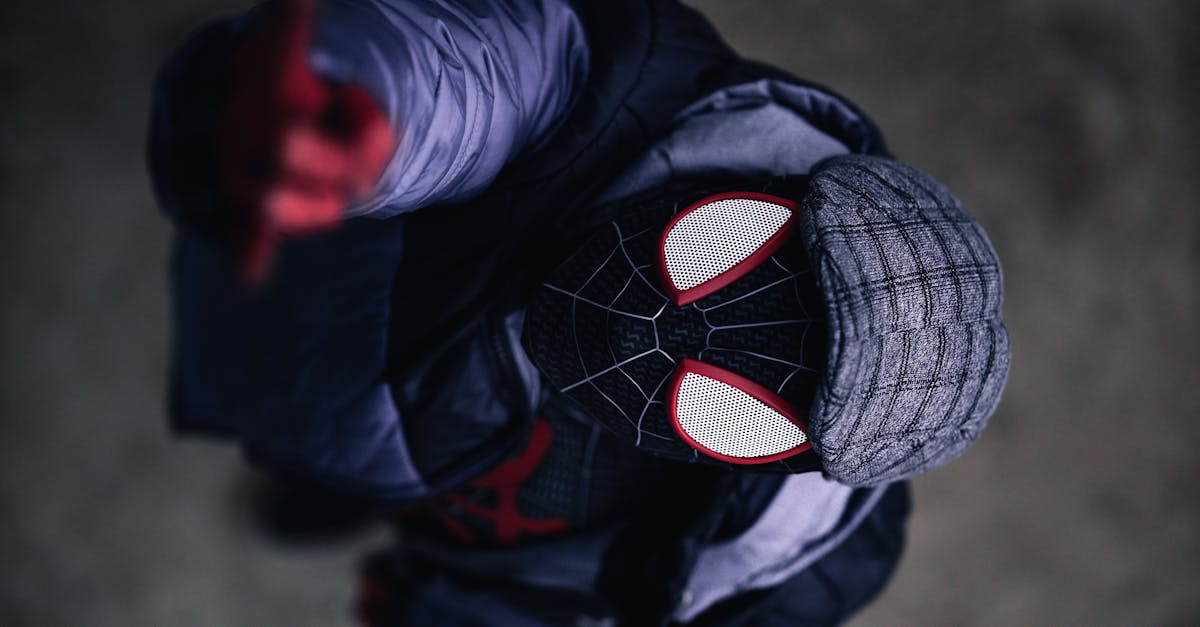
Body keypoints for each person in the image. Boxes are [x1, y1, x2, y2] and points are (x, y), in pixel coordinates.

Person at [148, 1, 1010, 625]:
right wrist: (355, 109)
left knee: (350, 463)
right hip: (295, 287)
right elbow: (476, 76)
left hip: (393, 439)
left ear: (785, 464)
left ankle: (343, 484)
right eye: (730, 253)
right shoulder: (622, 88)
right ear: (776, 187)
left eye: (740, 405)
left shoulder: (763, 574)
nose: (666, 331)